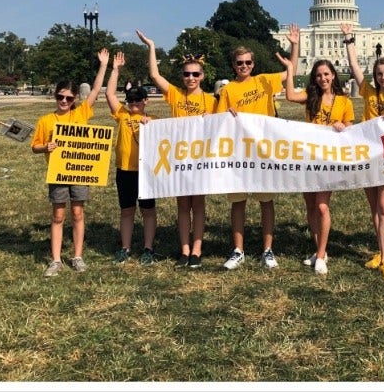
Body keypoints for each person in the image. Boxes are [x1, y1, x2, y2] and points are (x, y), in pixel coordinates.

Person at [216, 24, 300, 270]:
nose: (244, 66)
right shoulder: (228, 89)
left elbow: (289, 70)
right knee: (238, 202)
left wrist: (294, 45)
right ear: (234, 65)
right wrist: (227, 114)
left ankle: (267, 249)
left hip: (263, 151)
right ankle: (238, 250)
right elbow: (218, 122)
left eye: (248, 63)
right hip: (239, 152)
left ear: (253, 64)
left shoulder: (264, 81)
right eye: (240, 63)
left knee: (266, 201)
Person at [137, 30, 217, 269]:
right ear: (182, 76)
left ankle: (197, 250)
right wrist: (151, 45)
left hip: (200, 159)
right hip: (180, 158)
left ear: (202, 76)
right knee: (183, 205)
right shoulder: (175, 95)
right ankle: (184, 249)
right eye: (186, 74)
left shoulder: (212, 101)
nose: (190, 78)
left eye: (195, 74)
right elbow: (154, 74)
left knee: (199, 205)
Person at [341, 23, 384, 282]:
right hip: (369, 156)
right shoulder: (368, 93)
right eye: (379, 73)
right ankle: (381, 253)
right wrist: (349, 39)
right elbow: (355, 68)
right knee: (374, 207)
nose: (383, 77)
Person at [31, 48, 110, 277]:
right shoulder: (46, 120)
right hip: (57, 173)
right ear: (55, 96)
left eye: (68, 98)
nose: (64, 101)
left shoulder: (81, 113)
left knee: (77, 213)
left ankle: (77, 256)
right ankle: (55, 260)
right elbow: (35, 146)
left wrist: (103, 65)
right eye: (60, 97)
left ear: (75, 99)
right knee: (58, 216)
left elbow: (96, 90)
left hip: (80, 173)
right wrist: (45, 147)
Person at [276, 53, 354, 274]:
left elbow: (351, 129)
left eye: (326, 74)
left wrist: (342, 125)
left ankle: (321, 255)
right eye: (318, 75)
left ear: (333, 75)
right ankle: (320, 249)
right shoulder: (311, 96)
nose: (323, 78)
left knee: (322, 206)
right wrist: (291, 68)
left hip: (328, 159)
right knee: (310, 206)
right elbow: (290, 95)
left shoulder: (344, 101)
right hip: (309, 157)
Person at [105, 52, 158, 266]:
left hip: (145, 172)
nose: (133, 103)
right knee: (126, 210)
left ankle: (148, 248)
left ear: (145, 101)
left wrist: (150, 124)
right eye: (130, 100)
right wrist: (115, 70)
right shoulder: (123, 115)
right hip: (124, 170)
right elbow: (109, 94)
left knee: (148, 211)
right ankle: (125, 248)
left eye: (137, 100)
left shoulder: (152, 120)